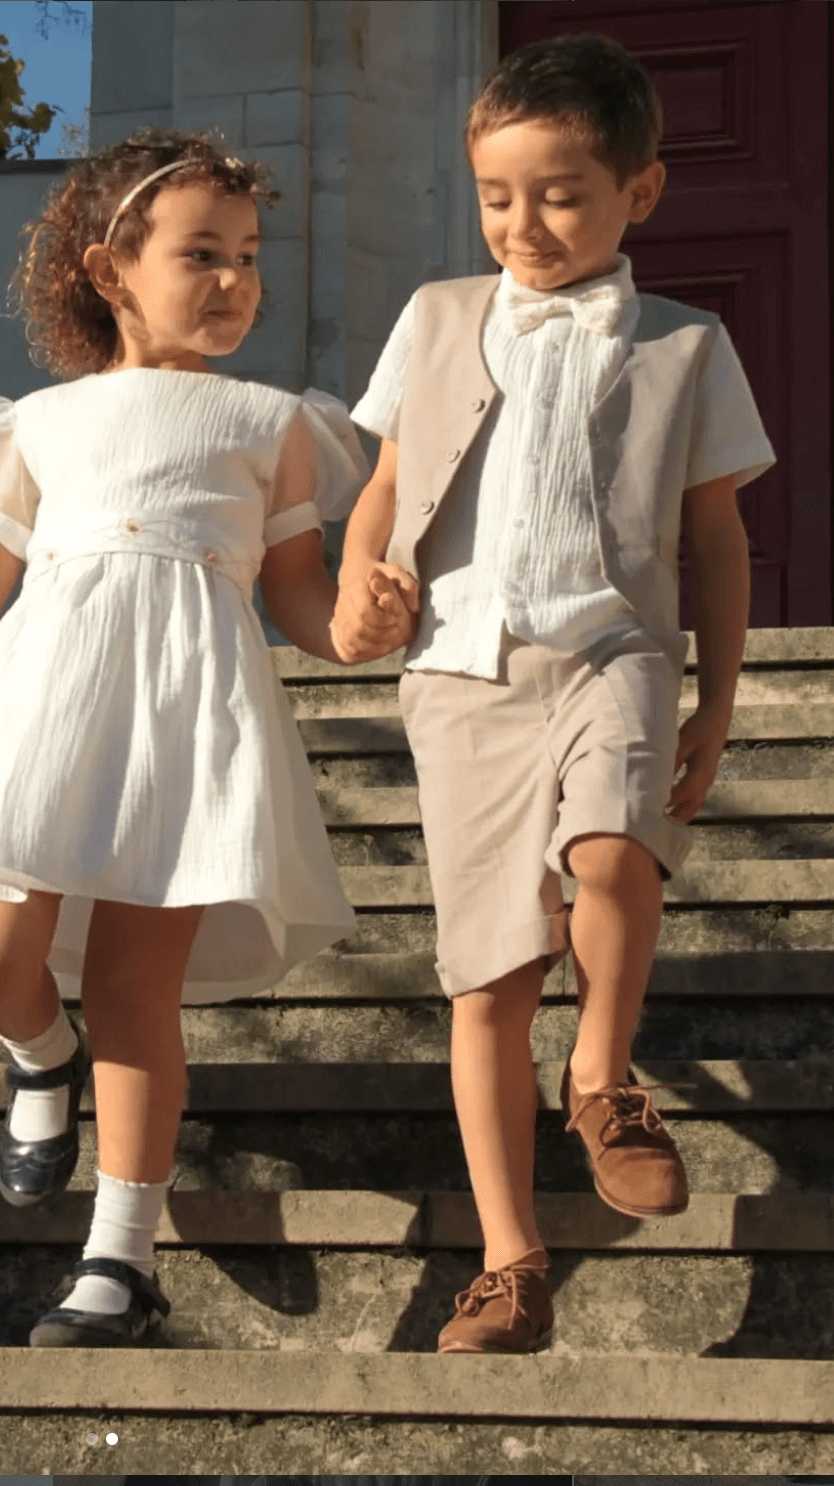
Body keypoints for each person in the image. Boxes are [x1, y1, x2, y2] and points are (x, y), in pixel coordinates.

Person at [0, 129, 366, 1348]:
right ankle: (37, 1049)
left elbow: (295, 590)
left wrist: (350, 632)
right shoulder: (36, 423)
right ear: (107, 268)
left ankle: (118, 1260)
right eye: (200, 254)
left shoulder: (269, 418)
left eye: (247, 256)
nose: (233, 279)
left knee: (139, 986)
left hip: (188, 707)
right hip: (44, 698)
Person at [333, 34, 774, 1354]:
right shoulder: (433, 315)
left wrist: (714, 698)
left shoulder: (687, 345)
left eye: (561, 194)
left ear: (639, 191)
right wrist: (363, 575)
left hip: (612, 649)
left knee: (609, 847)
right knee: (485, 981)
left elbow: (712, 543)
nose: (522, 224)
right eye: (496, 196)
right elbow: (385, 486)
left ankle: (599, 1075)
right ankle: (508, 1259)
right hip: (463, 671)